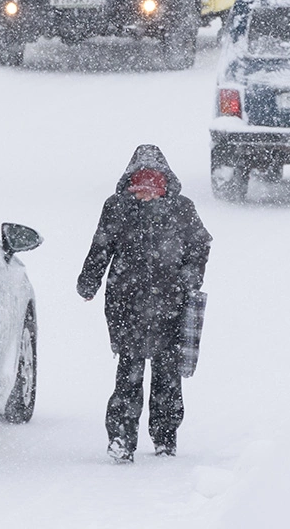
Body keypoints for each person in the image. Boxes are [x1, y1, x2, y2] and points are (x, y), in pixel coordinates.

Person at [77, 145, 211, 463]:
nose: (146, 195)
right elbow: (101, 246)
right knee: (129, 372)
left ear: (164, 186)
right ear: (130, 185)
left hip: (171, 305)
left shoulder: (181, 208)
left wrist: (190, 277)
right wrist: (88, 281)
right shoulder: (116, 208)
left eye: (152, 188)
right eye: (140, 188)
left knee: (167, 374)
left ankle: (165, 438)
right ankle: (122, 439)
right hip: (126, 306)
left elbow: (200, 244)